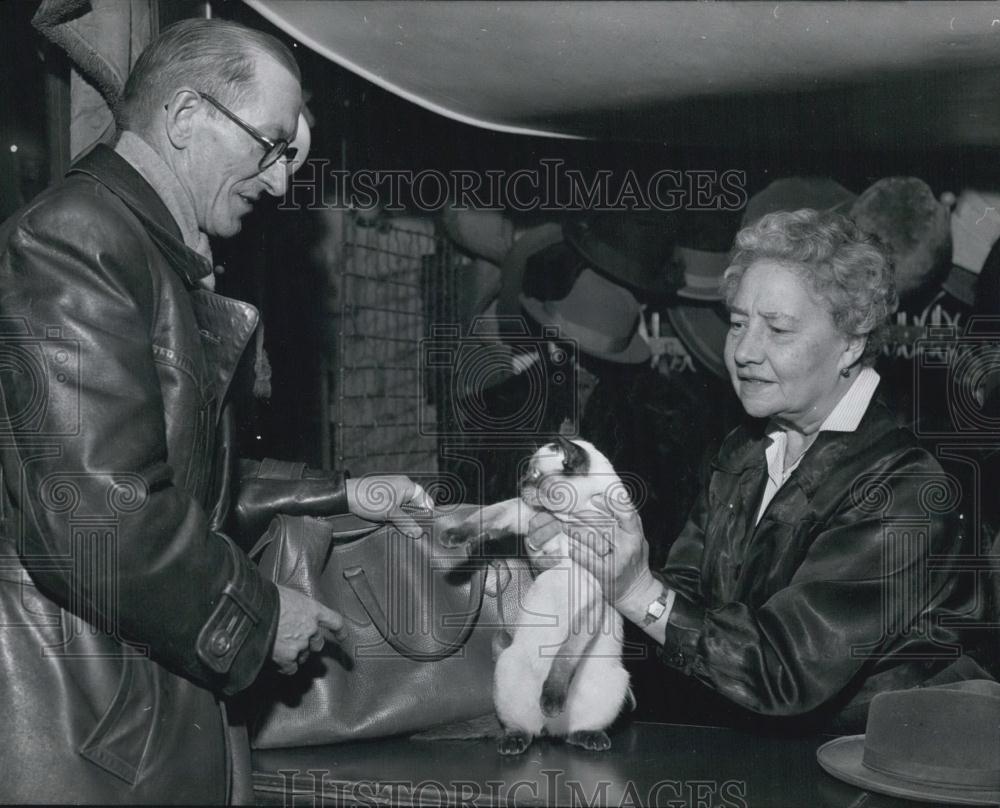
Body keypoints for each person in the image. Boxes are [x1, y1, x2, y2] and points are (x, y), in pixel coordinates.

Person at [0, 18, 430, 804]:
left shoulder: (147, 251)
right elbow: (101, 517)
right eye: (269, 145)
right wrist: (259, 618)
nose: (281, 182)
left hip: (132, 715)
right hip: (84, 730)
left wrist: (346, 494)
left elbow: (182, 472)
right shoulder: (75, 241)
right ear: (185, 118)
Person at [528, 209, 990, 732]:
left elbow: (785, 670)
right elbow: (682, 602)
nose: (744, 351)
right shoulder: (748, 449)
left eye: (778, 329)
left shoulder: (903, 487)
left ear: (852, 342)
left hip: (873, 767)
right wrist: (585, 566)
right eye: (740, 323)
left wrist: (637, 592)